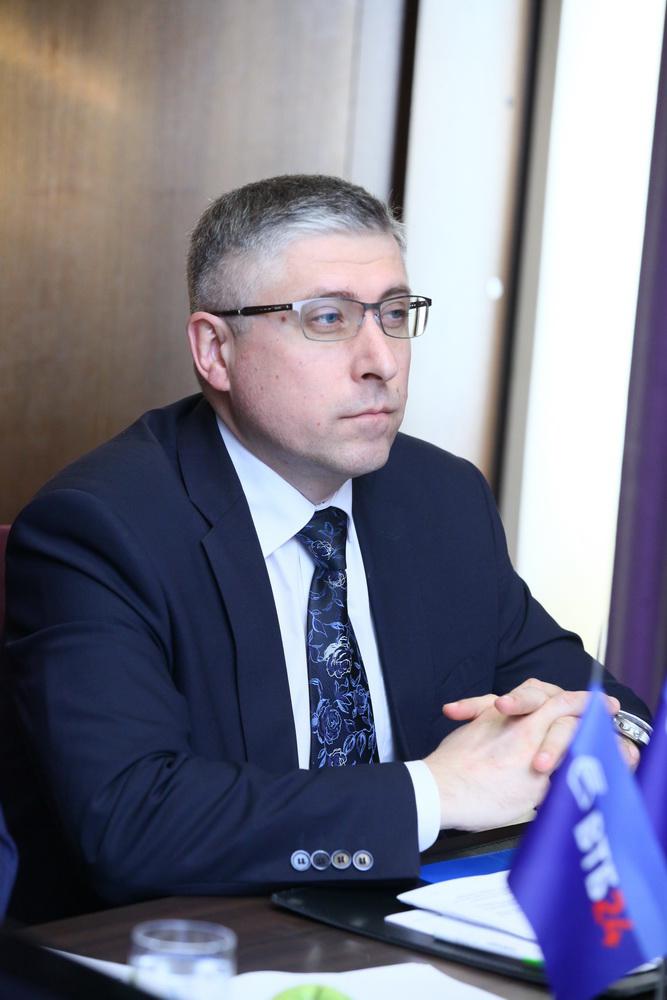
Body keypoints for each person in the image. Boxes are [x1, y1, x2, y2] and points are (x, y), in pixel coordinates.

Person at [0, 174, 649, 923]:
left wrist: (602, 735)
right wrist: (436, 792)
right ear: (215, 349)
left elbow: (605, 702)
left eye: (394, 314)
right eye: (328, 319)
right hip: (186, 948)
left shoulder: (440, 498)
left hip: (417, 931)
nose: (382, 361)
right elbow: (131, 821)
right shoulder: (100, 527)